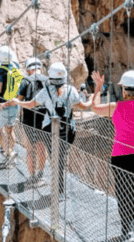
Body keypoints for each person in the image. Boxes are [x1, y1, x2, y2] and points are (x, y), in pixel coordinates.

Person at [91, 69, 134, 242]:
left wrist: (98, 88)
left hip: (121, 154)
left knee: (123, 192)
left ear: (124, 91)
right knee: (133, 190)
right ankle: (130, 228)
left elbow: (95, 108)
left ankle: (127, 230)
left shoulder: (116, 107)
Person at [14, 63, 91, 196]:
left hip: (50, 131)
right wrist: (94, 98)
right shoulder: (71, 90)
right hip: (68, 130)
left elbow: (30, 104)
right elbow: (83, 106)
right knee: (61, 158)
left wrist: (17, 102)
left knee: (54, 158)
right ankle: (60, 189)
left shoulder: (45, 91)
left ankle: (58, 188)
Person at [14, 57, 51, 185]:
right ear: (40, 68)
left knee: (30, 149)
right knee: (42, 146)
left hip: (29, 118)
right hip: (45, 118)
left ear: (29, 70)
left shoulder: (25, 81)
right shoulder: (48, 81)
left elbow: (19, 99)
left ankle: (32, 176)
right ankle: (41, 175)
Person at [0, 47, 23, 167]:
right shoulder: (16, 68)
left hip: (0, 105)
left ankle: (8, 154)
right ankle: (12, 153)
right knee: (10, 130)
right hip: (13, 104)